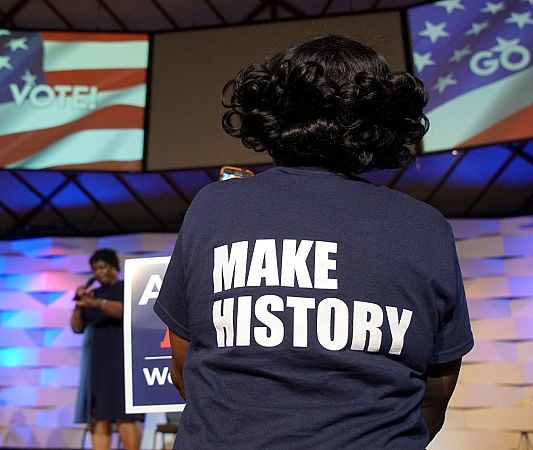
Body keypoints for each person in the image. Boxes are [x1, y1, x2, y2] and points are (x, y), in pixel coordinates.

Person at [153, 35, 474, 448]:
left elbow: (183, 366)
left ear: (272, 113)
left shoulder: (215, 207)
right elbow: (435, 392)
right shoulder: (425, 226)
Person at [71, 248, 143, 450]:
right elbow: (76, 327)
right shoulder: (93, 292)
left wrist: (97, 303)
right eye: (95, 269)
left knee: (123, 414)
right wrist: (79, 304)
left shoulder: (125, 288)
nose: (99, 272)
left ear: (114, 267)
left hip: (121, 360)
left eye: (103, 267)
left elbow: (125, 311)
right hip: (97, 362)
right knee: (98, 415)